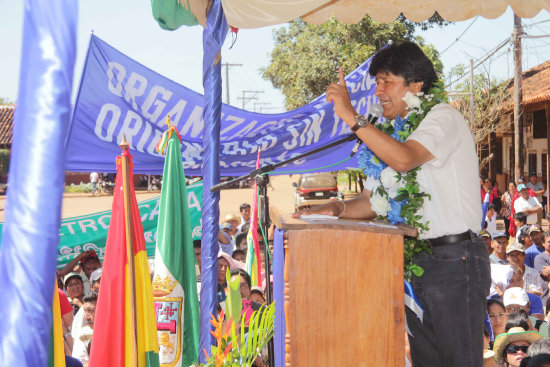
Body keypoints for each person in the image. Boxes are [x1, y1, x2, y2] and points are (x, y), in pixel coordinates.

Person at [295, 41, 490, 367]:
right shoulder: (393, 134)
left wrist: (351, 116)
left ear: (416, 85)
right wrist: (336, 210)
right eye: (376, 82)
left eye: (387, 81)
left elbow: (403, 160)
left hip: (456, 262)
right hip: (416, 263)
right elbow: (373, 203)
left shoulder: (443, 118)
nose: (378, 91)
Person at [534, 231, 550, 305]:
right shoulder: (539, 258)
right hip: (546, 300)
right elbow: (548, 276)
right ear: (543, 243)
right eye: (549, 241)